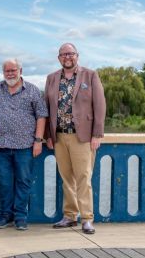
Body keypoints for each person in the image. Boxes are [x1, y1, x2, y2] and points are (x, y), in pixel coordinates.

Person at [44, 43, 106, 234]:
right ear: (59, 58)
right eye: (63, 54)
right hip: (60, 136)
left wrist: (97, 134)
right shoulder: (52, 78)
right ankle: (70, 216)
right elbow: (46, 107)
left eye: (70, 53)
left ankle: (87, 218)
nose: (67, 57)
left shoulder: (90, 75)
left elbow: (100, 106)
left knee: (83, 178)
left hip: (83, 137)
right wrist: (48, 135)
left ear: (77, 55)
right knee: (66, 178)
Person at [0, 58, 48, 231]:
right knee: (4, 183)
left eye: (13, 70)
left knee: (23, 182)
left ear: (20, 70)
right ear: (3, 72)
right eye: (7, 71)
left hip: (25, 146)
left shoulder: (32, 90)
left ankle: (20, 217)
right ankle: (5, 215)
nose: (10, 73)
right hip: (2, 146)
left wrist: (38, 141)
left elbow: (42, 116)